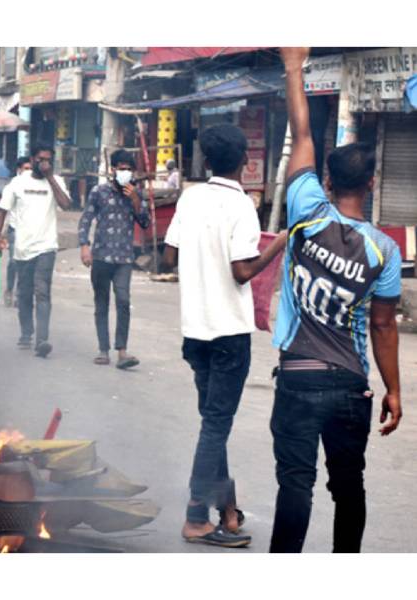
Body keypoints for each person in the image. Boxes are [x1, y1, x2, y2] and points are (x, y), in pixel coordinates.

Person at [268, 48, 403, 554]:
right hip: (350, 385)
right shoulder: (384, 249)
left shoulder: (306, 209)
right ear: (369, 185)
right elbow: (384, 327)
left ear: (327, 181)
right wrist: (393, 391)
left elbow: (302, 134)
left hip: (298, 377)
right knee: (349, 489)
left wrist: (293, 66)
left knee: (295, 485)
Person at [162, 123, 287, 548]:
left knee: (212, 426)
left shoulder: (191, 197)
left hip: (195, 331)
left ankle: (227, 511)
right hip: (229, 333)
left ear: (206, 161)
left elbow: (169, 254)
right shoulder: (241, 206)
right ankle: (197, 517)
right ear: (246, 162)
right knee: (215, 427)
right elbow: (243, 271)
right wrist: (281, 242)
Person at [0, 144, 72, 358]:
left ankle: (42, 339)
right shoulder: (18, 183)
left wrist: (51, 178)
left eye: (48, 160)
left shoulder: (57, 182)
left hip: (46, 246)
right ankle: (26, 332)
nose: (44, 163)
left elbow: (65, 204)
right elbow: (1, 211)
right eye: (40, 159)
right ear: (32, 159)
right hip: (22, 248)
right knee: (25, 293)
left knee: (42, 291)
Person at [78, 149, 150, 369]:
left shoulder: (136, 194)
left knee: (124, 302)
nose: (125, 173)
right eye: (121, 169)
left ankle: (122, 351)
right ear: (113, 170)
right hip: (101, 255)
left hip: (124, 258)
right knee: (101, 303)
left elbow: (145, 222)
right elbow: (86, 220)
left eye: (129, 169)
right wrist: (84, 246)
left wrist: (136, 199)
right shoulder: (99, 192)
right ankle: (103, 349)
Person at [1, 157, 32, 307]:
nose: (29, 172)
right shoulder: (13, 185)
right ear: (19, 170)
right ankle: (9, 289)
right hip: (15, 229)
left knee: (27, 264)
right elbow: (3, 209)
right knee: (14, 262)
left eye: (31, 169)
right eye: (26, 168)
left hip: (32, 230)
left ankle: (20, 295)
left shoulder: (36, 185)